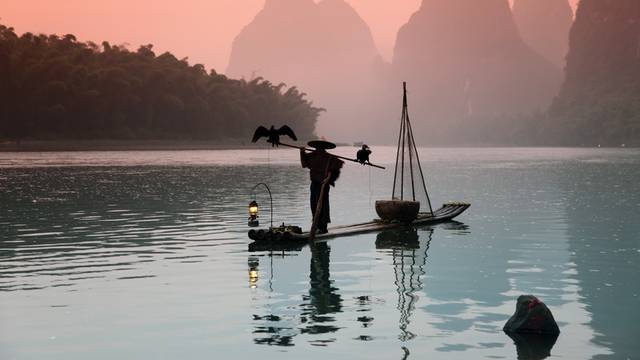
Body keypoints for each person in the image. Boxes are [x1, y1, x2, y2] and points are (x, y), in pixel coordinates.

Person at [300, 140, 344, 234]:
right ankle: (316, 225)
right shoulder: (312, 155)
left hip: (323, 185)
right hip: (314, 184)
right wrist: (302, 152)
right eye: (317, 147)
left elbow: (335, 169)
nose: (318, 149)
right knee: (314, 204)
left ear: (323, 148)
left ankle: (323, 227)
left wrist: (327, 179)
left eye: (320, 147)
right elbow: (304, 164)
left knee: (323, 205)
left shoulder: (329, 158)